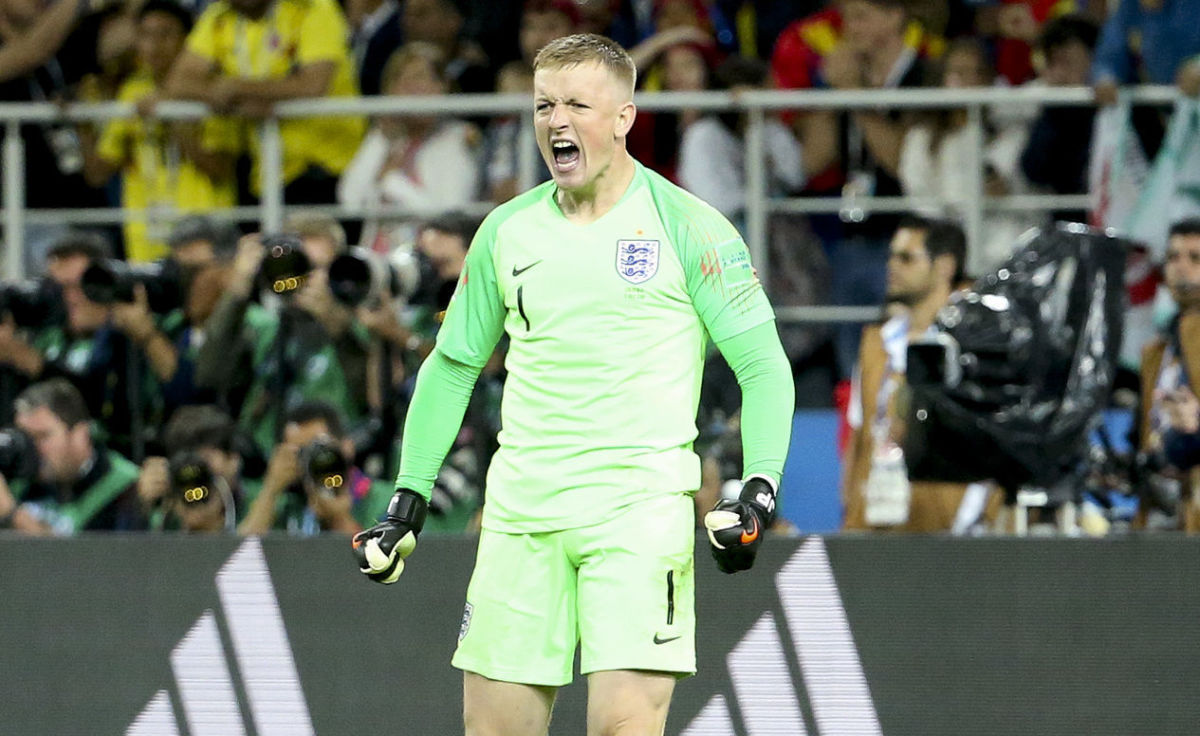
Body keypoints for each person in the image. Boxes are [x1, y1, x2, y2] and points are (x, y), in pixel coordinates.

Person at [352, 33, 794, 735]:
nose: (557, 121)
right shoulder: (505, 231)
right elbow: (454, 363)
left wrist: (758, 489)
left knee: (623, 726)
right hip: (519, 514)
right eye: (543, 106)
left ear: (623, 117)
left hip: (637, 511)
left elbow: (763, 365)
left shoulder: (691, 228)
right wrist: (407, 498)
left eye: (577, 105)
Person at [841, 216, 997, 532]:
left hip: (947, 532)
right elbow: (858, 438)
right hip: (875, 523)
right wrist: (850, 515)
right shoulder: (875, 343)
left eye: (907, 258)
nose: (892, 266)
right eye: (891, 256)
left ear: (944, 266)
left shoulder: (977, 344)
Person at [164, 0, 365, 204]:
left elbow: (313, 84)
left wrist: (237, 89)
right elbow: (178, 82)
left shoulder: (314, 7)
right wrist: (238, 101)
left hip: (324, 169)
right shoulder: (219, 15)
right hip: (268, 172)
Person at [0, 378, 142, 534]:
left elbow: (97, 556)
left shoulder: (127, 488)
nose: (31, 448)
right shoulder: (19, 480)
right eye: (25, 437)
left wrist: (12, 515)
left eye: (42, 436)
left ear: (80, 435)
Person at [238, 400, 391, 535]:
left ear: (346, 447)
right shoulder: (288, 506)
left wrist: (338, 519)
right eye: (300, 452)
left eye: (318, 448)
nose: (309, 460)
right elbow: (242, 557)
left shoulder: (385, 501)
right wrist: (270, 489)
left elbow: (378, 561)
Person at [1138, 219, 1200, 531]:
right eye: (1173, 257)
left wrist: (1193, 430)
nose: (1181, 268)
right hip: (1168, 516)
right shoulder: (1157, 352)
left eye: (1195, 258)